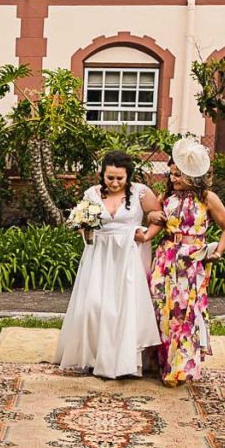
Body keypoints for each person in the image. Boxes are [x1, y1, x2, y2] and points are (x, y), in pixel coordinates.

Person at [53, 151, 163, 378]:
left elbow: (158, 216)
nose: (114, 183)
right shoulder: (91, 194)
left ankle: (122, 362)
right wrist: (85, 230)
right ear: (102, 175)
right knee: (94, 305)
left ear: (128, 177)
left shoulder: (140, 193)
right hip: (99, 256)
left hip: (126, 257)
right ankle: (94, 356)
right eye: (109, 178)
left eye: (119, 179)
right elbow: (83, 222)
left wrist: (147, 235)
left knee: (121, 309)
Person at [148, 138, 225, 386]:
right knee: (162, 310)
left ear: (193, 176)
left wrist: (218, 251)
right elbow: (153, 222)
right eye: (172, 173)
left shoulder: (208, 198)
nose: (173, 178)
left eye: (179, 175)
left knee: (184, 314)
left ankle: (179, 368)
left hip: (191, 263)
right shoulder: (165, 195)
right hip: (165, 258)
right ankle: (162, 362)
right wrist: (152, 214)